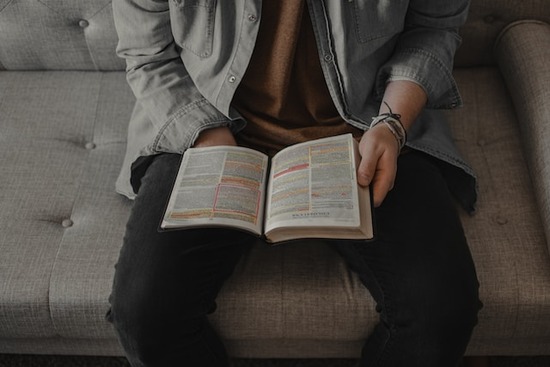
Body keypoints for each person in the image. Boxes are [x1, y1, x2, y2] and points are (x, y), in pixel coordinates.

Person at [107, 1, 482, 366]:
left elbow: (432, 28)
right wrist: (206, 136)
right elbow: (147, 52)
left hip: (367, 128)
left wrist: (392, 124)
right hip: (207, 126)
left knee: (441, 312)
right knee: (145, 316)